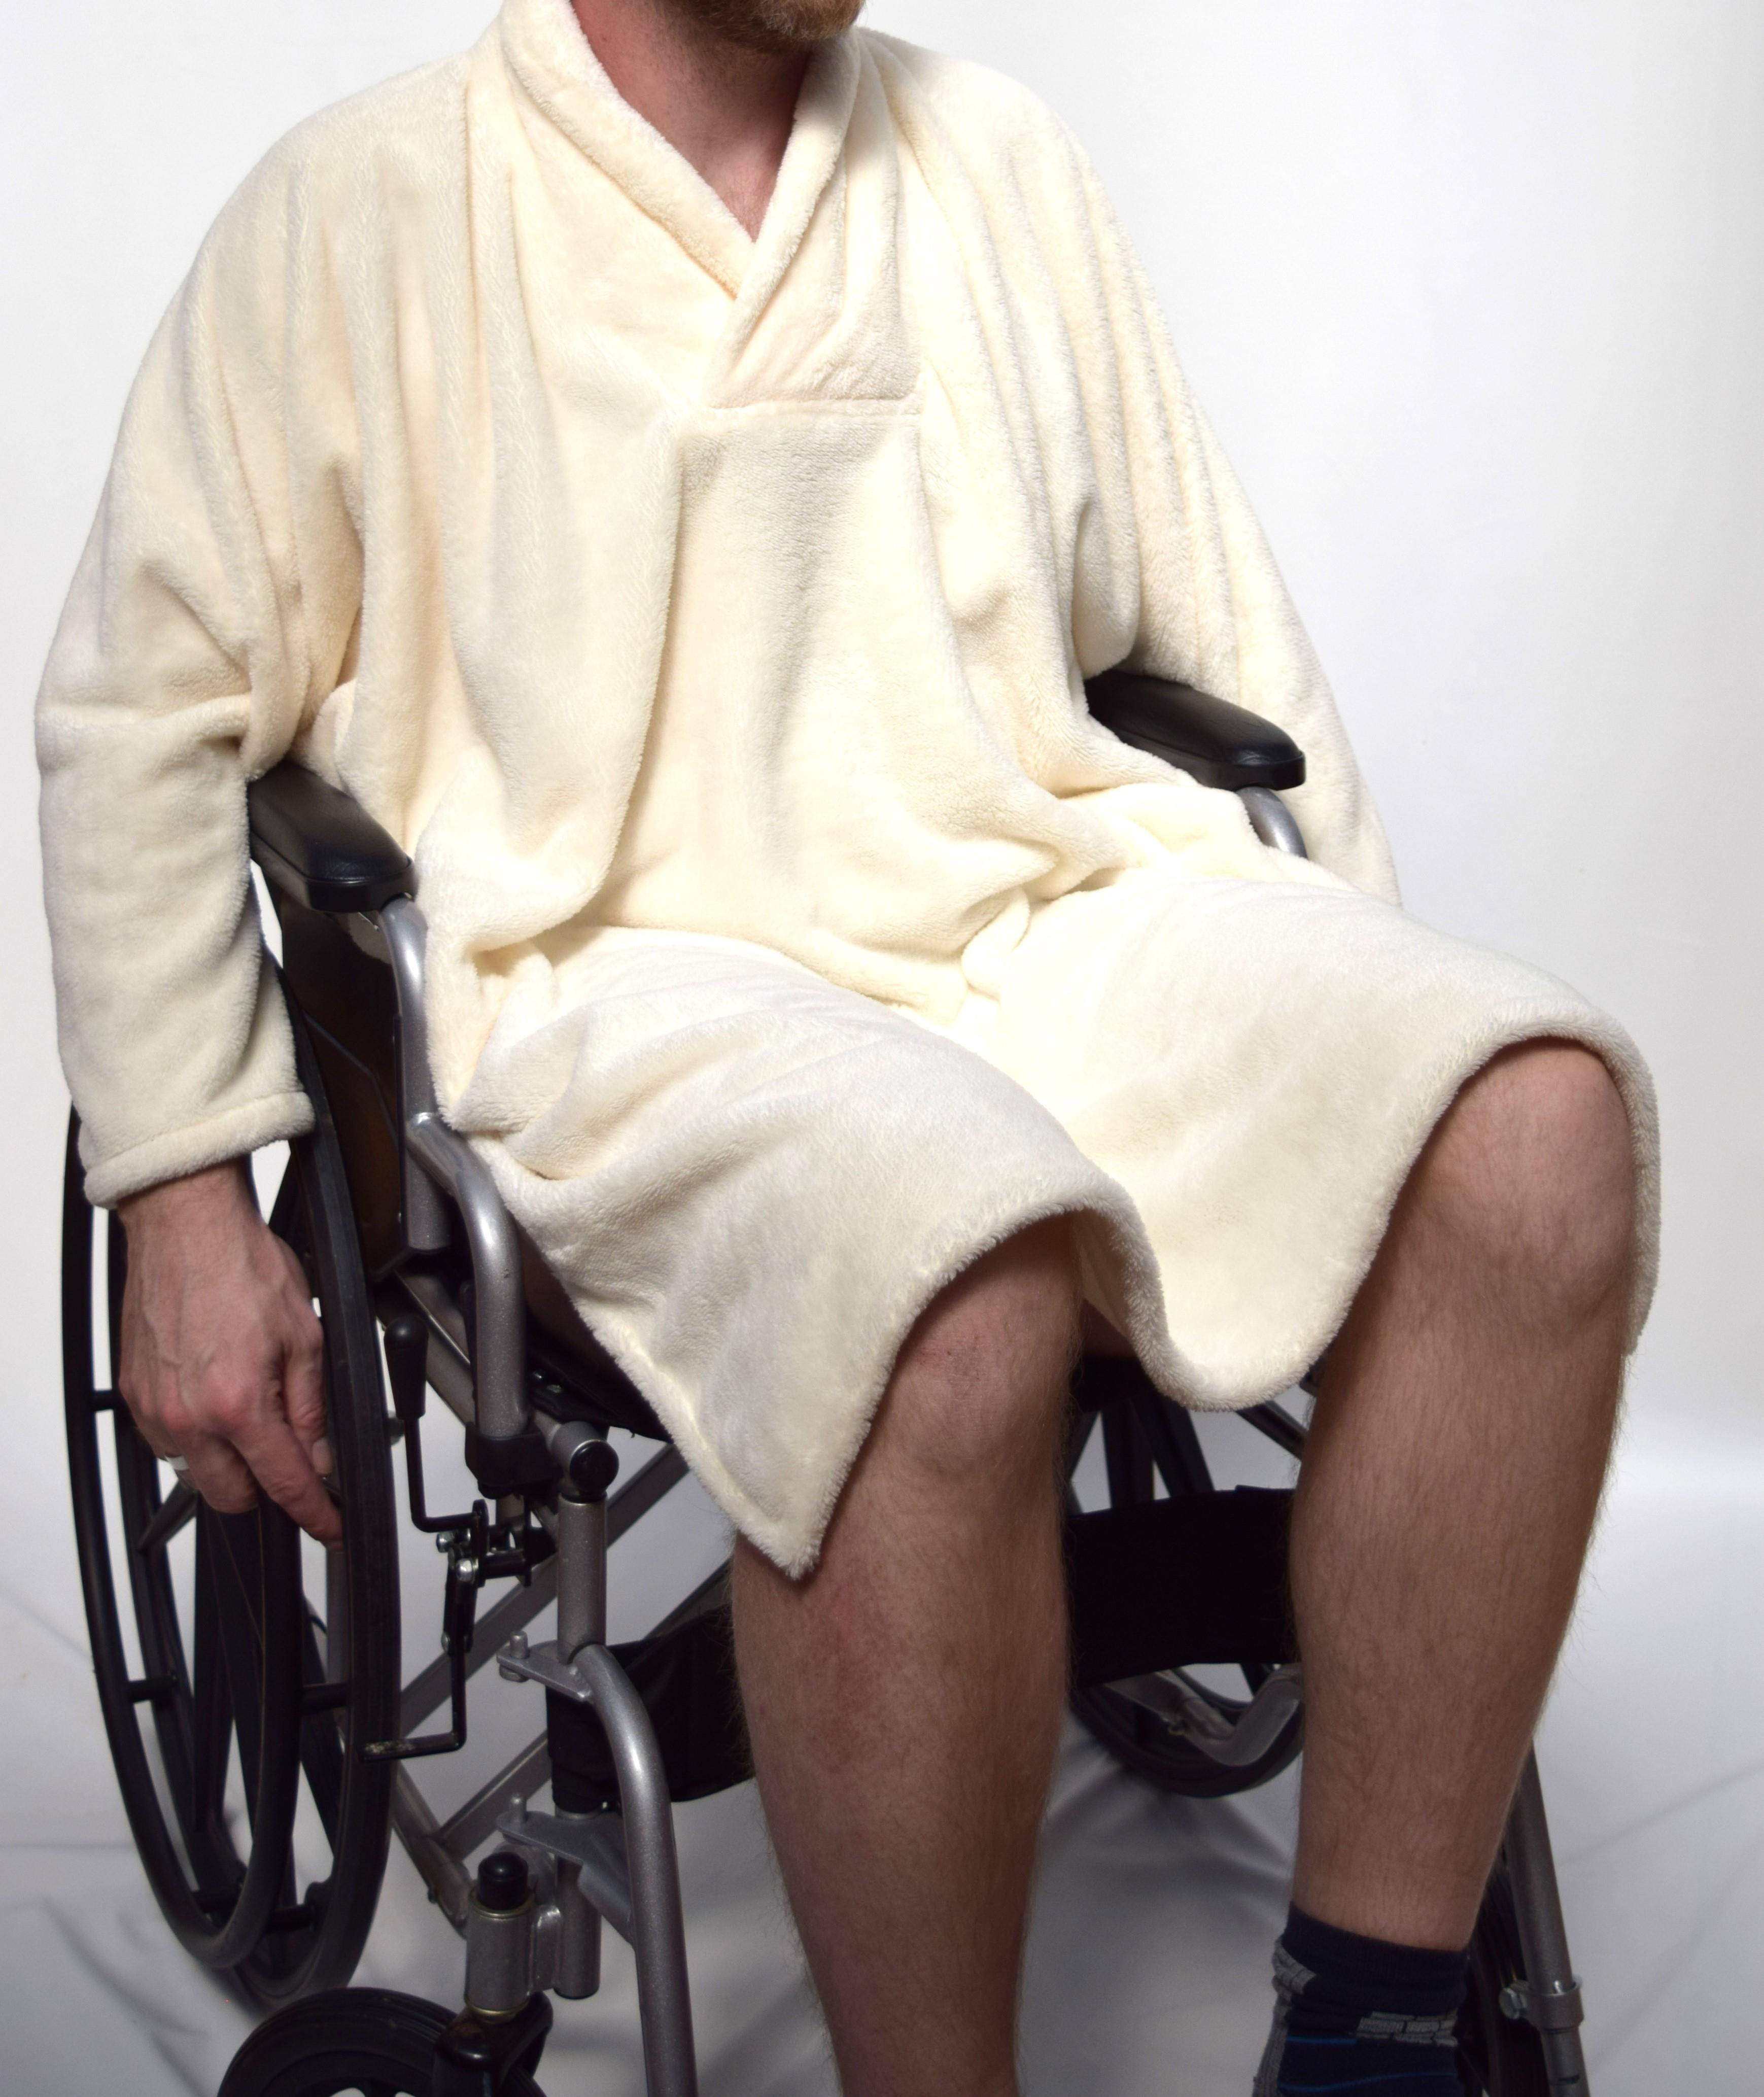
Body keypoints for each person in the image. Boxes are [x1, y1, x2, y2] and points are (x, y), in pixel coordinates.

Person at [36, 0, 1656, 2089]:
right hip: (625, 985)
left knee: (1529, 1127)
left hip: (1032, 909)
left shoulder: (997, 163)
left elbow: (1219, 625)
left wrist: (1369, 1117)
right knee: (945, 1273)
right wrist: (182, 1188)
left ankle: (1372, 2036)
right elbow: (138, 718)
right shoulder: (355, 209)